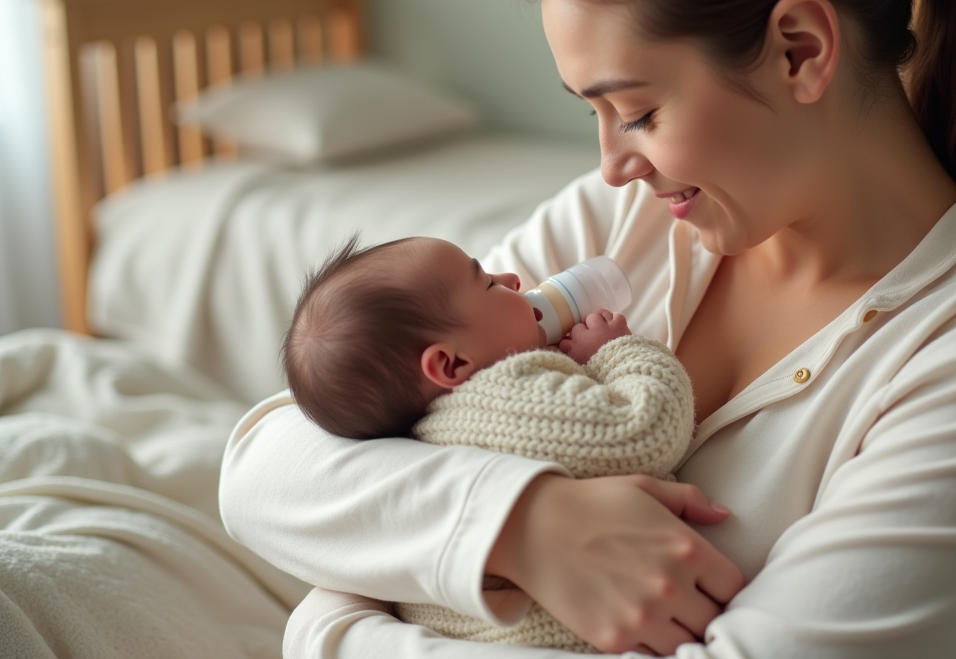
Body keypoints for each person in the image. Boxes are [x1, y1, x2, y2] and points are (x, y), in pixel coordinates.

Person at [219, 0, 956, 657]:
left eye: (639, 112)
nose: (613, 162)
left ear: (799, 50)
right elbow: (268, 463)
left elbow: (339, 538)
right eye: (593, 114)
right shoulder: (626, 225)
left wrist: (333, 631)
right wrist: (528, 524)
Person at [281, 234, 694, 651]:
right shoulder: (509, 394)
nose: (513, 278)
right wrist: (615, 352)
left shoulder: (414, 438)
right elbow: (648, 430)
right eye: (489, 284)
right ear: (452, 364)